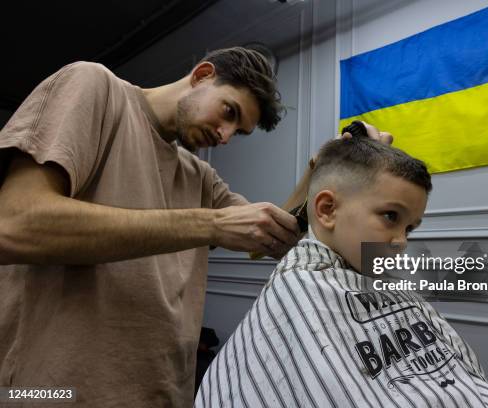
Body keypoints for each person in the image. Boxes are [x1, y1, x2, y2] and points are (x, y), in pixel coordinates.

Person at [0, 47, 391, 407]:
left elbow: (271, 237)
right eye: (229, 112)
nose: (224, 135)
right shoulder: (94, 86)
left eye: (236, 132)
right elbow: (14, 225)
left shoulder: (200, 176)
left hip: (163, 392)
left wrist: (322, 168)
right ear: (203, 75)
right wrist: (212, 223)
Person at [195, 137, 488, 407]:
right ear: (327, 210)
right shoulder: (299, 292)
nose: (400, 242)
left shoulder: (388, 284)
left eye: (410, 228)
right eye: (391, 217)